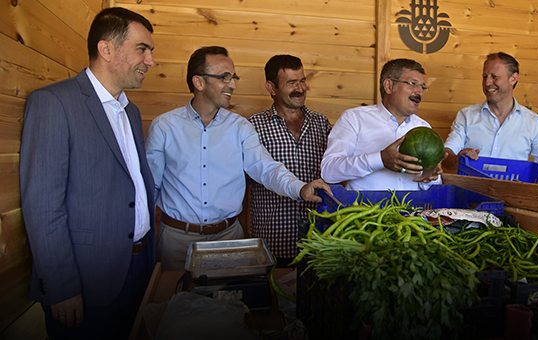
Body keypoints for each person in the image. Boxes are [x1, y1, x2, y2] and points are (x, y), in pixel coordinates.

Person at [19, 8, 157, 340]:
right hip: (85, 279)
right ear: (106, 49)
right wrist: (61, 286)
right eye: (142, 48)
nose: (151, 61)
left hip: (140, 268)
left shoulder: (131, 111)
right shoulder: (54, 103)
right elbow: (42, 205)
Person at [145, 46, 331, 271]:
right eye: (225, 77)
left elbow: (265, 167)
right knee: (173, 301)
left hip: (229, 238)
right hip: (176, 240)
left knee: (230, 303)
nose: (232, 84)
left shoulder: (240, 127)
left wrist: (300, 188)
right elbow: (149, 188)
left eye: (233, 77)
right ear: (199, 82)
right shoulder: (164, 127)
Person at [247, 55, 331, 265]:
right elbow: (242, 184)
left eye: (302, 80)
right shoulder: (253, 126)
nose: (300, 88)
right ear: (271, 87)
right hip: (273, 240)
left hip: (318, 239)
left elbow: (336, 171)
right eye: (292, 82)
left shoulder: (321, 123)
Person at [443, 52, 538, 178]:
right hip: (470, 195)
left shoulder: (533, 122)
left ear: (513, 79)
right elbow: (447, 154)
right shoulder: (466, 116)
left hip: (513, 197)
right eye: (484, 76)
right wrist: (457, 159)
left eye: (494, 77)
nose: (487, 83)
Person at [320, 58, 442, 191]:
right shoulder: (354, 119)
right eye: (413, 83)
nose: (420, 92)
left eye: (423, 87)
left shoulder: (424, 127)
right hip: (365, 210)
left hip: (413, 210)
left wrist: (428, 178)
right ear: (389, 86)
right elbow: (329, 171)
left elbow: (432, 186)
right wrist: (380, 160)